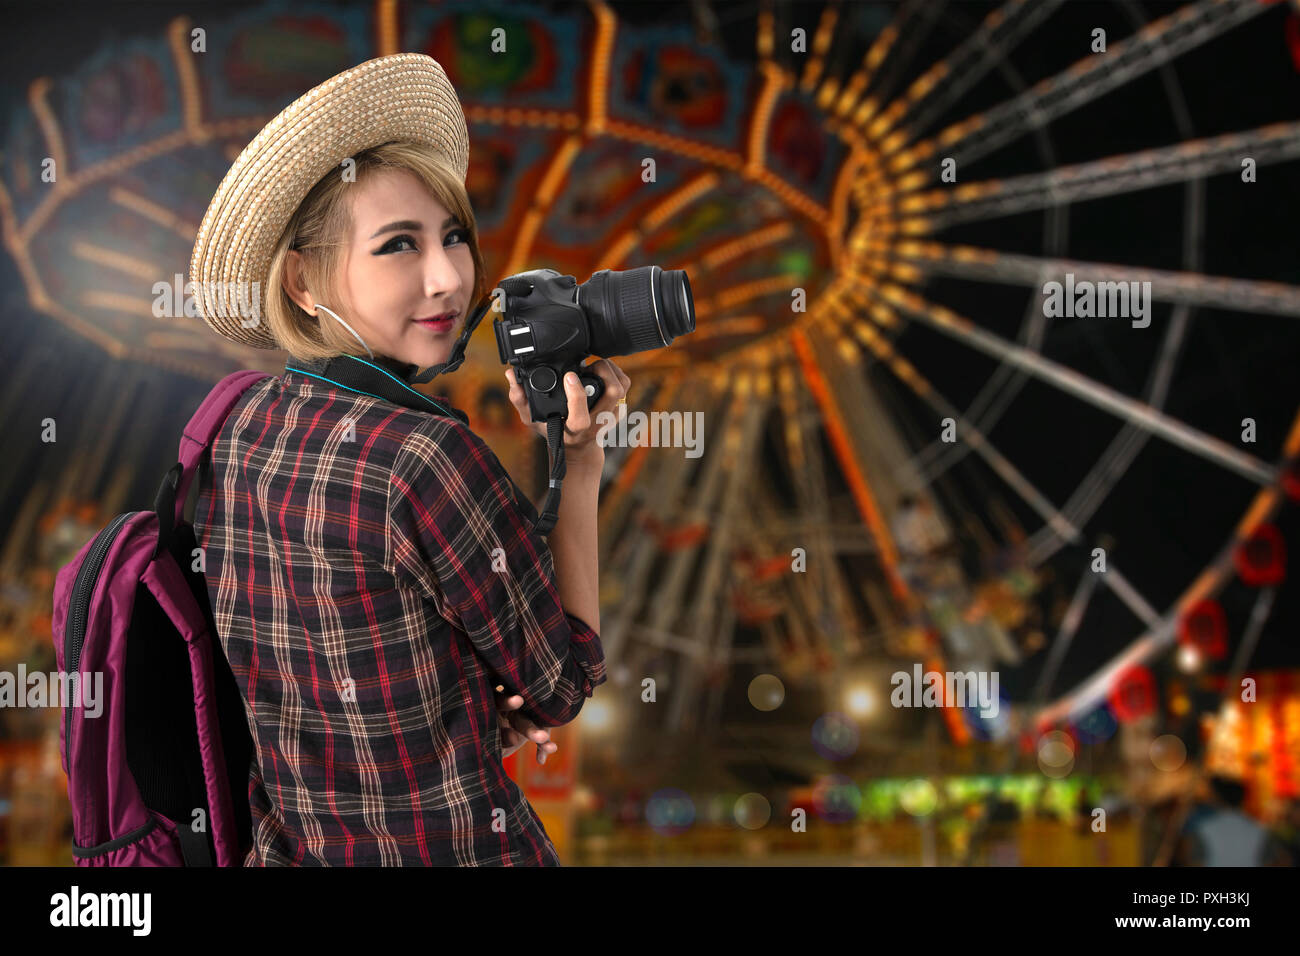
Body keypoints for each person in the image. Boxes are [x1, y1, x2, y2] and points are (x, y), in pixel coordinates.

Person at [188, 53, 628, 865]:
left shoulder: (236, 425)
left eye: (454, 237)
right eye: (398, 246)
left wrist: (467, 692)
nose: (447, 278)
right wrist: (585, 460)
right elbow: (561, 686)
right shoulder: (426, 456)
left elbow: (335, 645)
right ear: (302, 281)